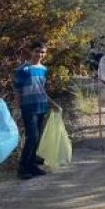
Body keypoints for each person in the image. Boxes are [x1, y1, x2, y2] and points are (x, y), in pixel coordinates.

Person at [13, 41, 62, 180]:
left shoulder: (43, 69)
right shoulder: (23, 69)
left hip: (41, 106)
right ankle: (22, 168)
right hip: (28, 107)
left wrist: (53, 104)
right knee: (32, 137)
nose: (39, 54)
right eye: (37, 51)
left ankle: (32, 165)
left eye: (42, 52)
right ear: (31, 51)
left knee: (37, 137)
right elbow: (17, 91)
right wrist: (17, 108)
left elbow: (42, 90)